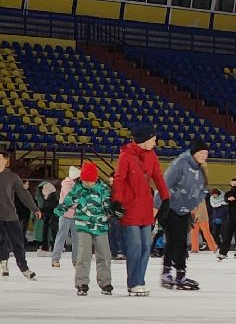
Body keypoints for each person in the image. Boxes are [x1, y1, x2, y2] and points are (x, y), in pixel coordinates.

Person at [112, 124, 170, 296]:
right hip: (130, 207)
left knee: (146, 246)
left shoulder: (151, 155)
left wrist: (166, 198)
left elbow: (158, 177)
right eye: (153, 139)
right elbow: (119, 179)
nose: (155, 143)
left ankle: (140, 280)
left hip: (146, 207)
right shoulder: (126, 156)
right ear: (144, 139)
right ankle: (134, 282)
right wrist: (117, 201)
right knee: (135, 246)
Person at [160, 139, 209, 290]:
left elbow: (199, 190)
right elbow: (164, 184)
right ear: (194, 153)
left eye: (206, 153)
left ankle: (181, 274)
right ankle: (166, 272)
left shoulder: (200, 170)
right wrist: (157, 207)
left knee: (181, 242)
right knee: (173, 240)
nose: (204, 156)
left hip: (184, 210)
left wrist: (193, 208)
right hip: (169, 207)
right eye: (201, 153)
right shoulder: (180, 164)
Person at [64, 161, 113, 296]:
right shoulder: (77, 189)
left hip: (100, 226)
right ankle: (81, 283)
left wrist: (111, 211)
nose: (89, 184)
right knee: (83, 254)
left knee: (104, 255)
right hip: (83, 226)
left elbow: (108, 205)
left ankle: (105, 283)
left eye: (91, 181)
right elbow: (67, 202)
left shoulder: (103, 188)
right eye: (86, 181)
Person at [0, 150, 39, 280]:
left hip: (10, 215)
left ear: (6, 161)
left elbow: (23, 193)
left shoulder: (12, 177)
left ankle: (24, 268)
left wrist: (34, 208)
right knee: (1, 241)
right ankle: (3, 264)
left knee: (18, 243)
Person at [50, 165, 80, 268]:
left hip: (75, 215)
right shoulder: (67, 184)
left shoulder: (77, 185)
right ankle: (55, 259)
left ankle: (76, 260)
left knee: (77, 239)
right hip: (66, 215)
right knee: (61, 237)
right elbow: (69, 200)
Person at [217, 177, 236, 259]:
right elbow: (225, 199)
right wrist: (228, 199)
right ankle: (223, 253)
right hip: (231, 217)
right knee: (227, 235)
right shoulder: (228, 193)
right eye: (234, 184)